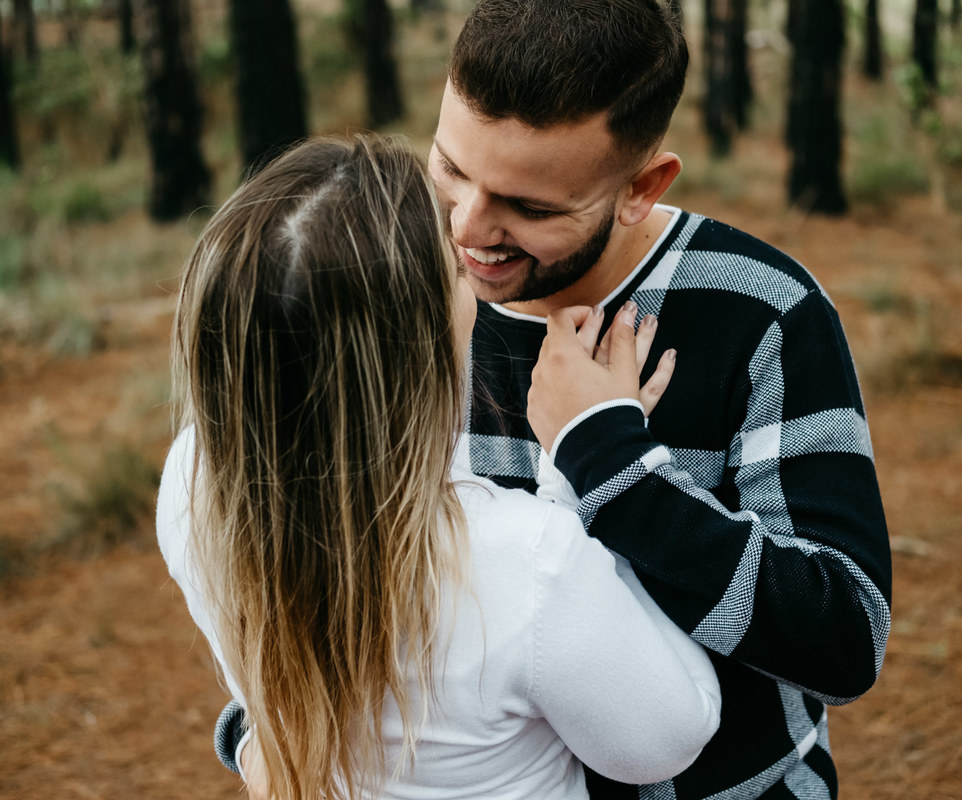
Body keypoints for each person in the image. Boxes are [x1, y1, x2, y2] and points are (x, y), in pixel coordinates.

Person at [219, 1, 892, 798]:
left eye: (531, 208)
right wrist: (260, 728)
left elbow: (844, 642)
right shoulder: (387, 300)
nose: (469, 229)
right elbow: (298, 547)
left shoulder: (762, 310)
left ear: (641, 187)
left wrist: (611, 461)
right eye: (452, 169)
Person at [156, 134, 723, 800]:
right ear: (416, 344)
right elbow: (668, 738)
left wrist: (254, 740)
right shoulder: (527, 561)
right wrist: (596, 461)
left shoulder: (191, 482)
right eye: (452, 268)